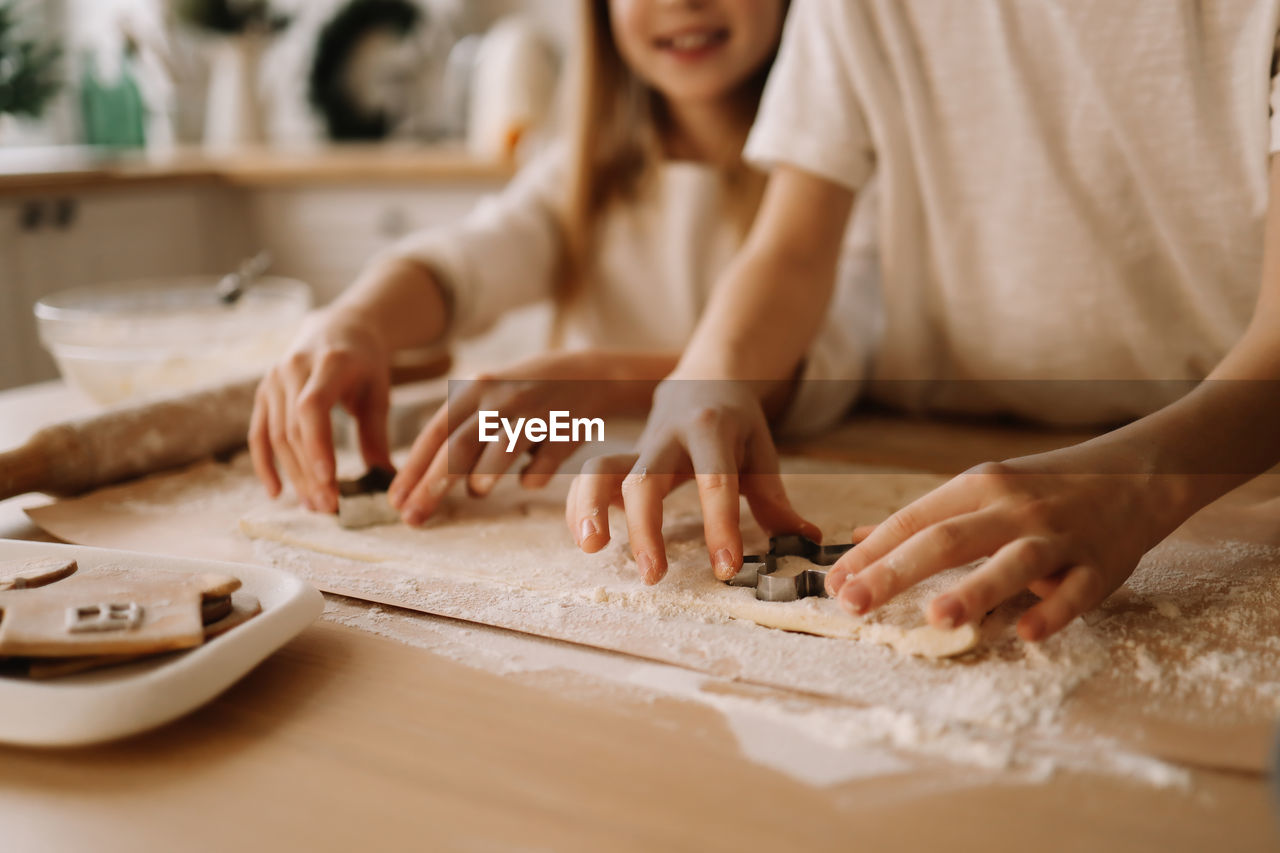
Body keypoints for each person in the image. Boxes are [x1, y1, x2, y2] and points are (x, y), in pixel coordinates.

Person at [568, 1, 1280, 643]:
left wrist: (1144, 481)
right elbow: (791, 248)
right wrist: (709, 374)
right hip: (919, 441)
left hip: (1226, 468)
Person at [249, 0, 878, 528]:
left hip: (792, 491)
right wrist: (357, 320)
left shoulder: (841, 172)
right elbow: (466, 262)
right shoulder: (578, 174)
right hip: (592, 508)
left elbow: (824, 371)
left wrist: (598, 379)